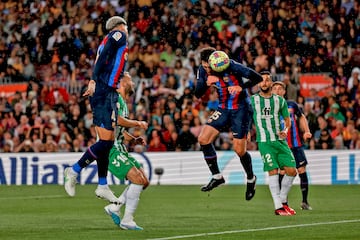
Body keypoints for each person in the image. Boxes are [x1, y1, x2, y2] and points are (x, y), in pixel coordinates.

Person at [63, 16, 129, 203]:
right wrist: (93, 80)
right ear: (119, 26)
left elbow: (106, 58)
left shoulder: (107, 40)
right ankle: (74, 170)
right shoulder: (118, 35)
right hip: (103, 91)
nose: (127, 29)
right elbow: (106, 55)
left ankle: (102, 185)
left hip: (106, 91)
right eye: (125, 26)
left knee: (106, 141)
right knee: (106, 142)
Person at [195, 47, 263, 201]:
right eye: (204, 66)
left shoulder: (231, 65)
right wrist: (206, 82)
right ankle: (217, 176)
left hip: (241, 109)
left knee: (239, 150)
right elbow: (197, 93)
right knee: (203, 139)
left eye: (208, 67)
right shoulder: (203, 69)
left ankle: (251, 179)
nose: (206, 69)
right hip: (223, 108)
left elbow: (257, 78)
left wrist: (241, 86)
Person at [103, 73, 149, 230]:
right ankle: (127, 219)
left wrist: (133, 139)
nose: (133, 82)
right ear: (121, 82)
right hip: (109, 147)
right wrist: (138, 123)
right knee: (137, 179)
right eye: (129, 78)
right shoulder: (114, 97)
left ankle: (115, 207)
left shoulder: (122, 102)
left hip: (120, 147)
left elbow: (120, 130)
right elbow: (116, 120)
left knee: (144, 180)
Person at [250, 71, 297, 215]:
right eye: (262, 80)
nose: (264, 83)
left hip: (280, 141)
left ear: (271, 83)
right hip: (265, 141)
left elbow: (287, 120)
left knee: (292, 171)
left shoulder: (280, 101)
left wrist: (286, 130)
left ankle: (282, 200)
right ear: (258, 83)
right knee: (273, 171)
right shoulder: (252, 100)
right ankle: (278, 207)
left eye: (267, 80)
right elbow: (245, 117)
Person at [272, 81, 313, 210]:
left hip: (295, 145)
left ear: (284, 92)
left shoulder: (291, 105)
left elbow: (301, 117)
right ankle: (283, 203)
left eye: (280, 89)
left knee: (302, 170)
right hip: (281, 146)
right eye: (275, 88)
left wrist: (306, 131)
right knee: (283, 172)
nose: (278, 91)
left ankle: (304, 202)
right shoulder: (269, 107)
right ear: (272, 91)